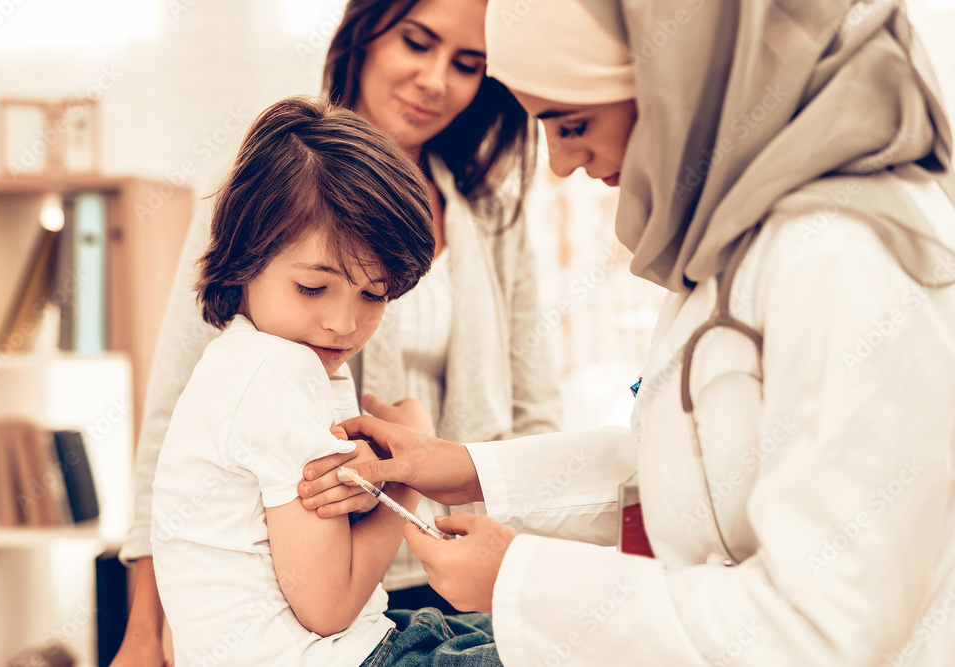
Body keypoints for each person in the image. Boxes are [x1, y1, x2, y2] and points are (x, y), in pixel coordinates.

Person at [300, 0, 955, 664]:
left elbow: (819, 629)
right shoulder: (735, 231)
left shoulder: (842, 255)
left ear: (675, 77)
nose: (559, 164)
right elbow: (680, 472)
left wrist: (522, 582)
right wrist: (464, 466)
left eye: (573, 123)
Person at [113, 0, 559, 664]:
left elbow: (535, 412)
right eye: (417, 42)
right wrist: (144, 630)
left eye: (468, 64)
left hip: (454, 567)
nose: (436, 80)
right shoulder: (262, 189)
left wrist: (533, 570)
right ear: (365, 33)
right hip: (334, 592)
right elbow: (174, 420)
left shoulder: (491, 216)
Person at [152, 95, 506, 665]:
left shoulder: (252, 361)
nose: (344, 323)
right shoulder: (276, 371)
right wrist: (406, 475)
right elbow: (329, 606)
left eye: (374, 295)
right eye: (313, 288)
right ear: (246, 255)